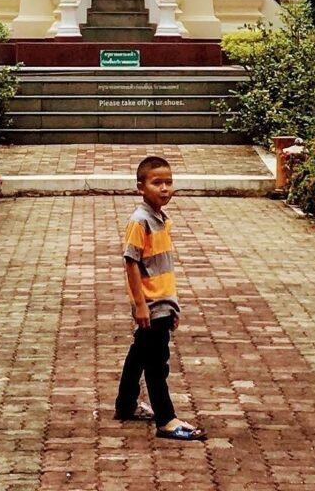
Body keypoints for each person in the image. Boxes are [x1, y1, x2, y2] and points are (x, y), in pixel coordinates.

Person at [113, 155, 206, 441]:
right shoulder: (140, 221)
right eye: (157, 183)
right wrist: (140, 304)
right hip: (150, 304)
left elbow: (161, 267)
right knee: (157, 363)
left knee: (140, 353)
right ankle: (166, 420)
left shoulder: (161, 220)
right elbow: (130, 262)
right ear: (141, 187)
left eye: (169, 182)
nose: (165, 189)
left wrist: (172, 305)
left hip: (162, 302)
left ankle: (125, 405)